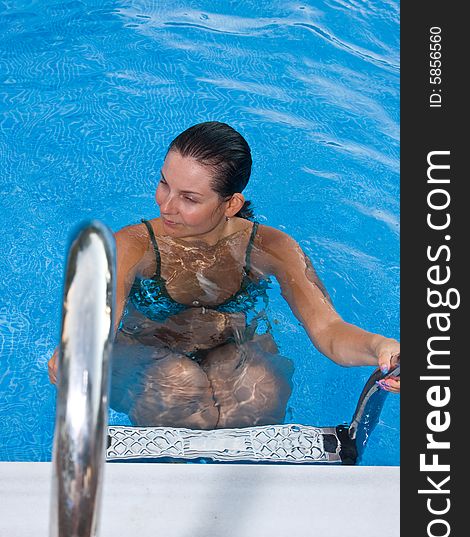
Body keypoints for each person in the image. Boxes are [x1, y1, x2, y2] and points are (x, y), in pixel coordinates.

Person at [48, 121, 400, 429]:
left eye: (189, 197)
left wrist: (381, 348)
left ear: (231, 204)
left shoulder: (272, 248)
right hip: (145, 351)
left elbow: (328, 330)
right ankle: (167, 479)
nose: (165, 205)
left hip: (229, 347)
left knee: (261, 388)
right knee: (179, 383)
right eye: (164, 183)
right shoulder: (133, 245)